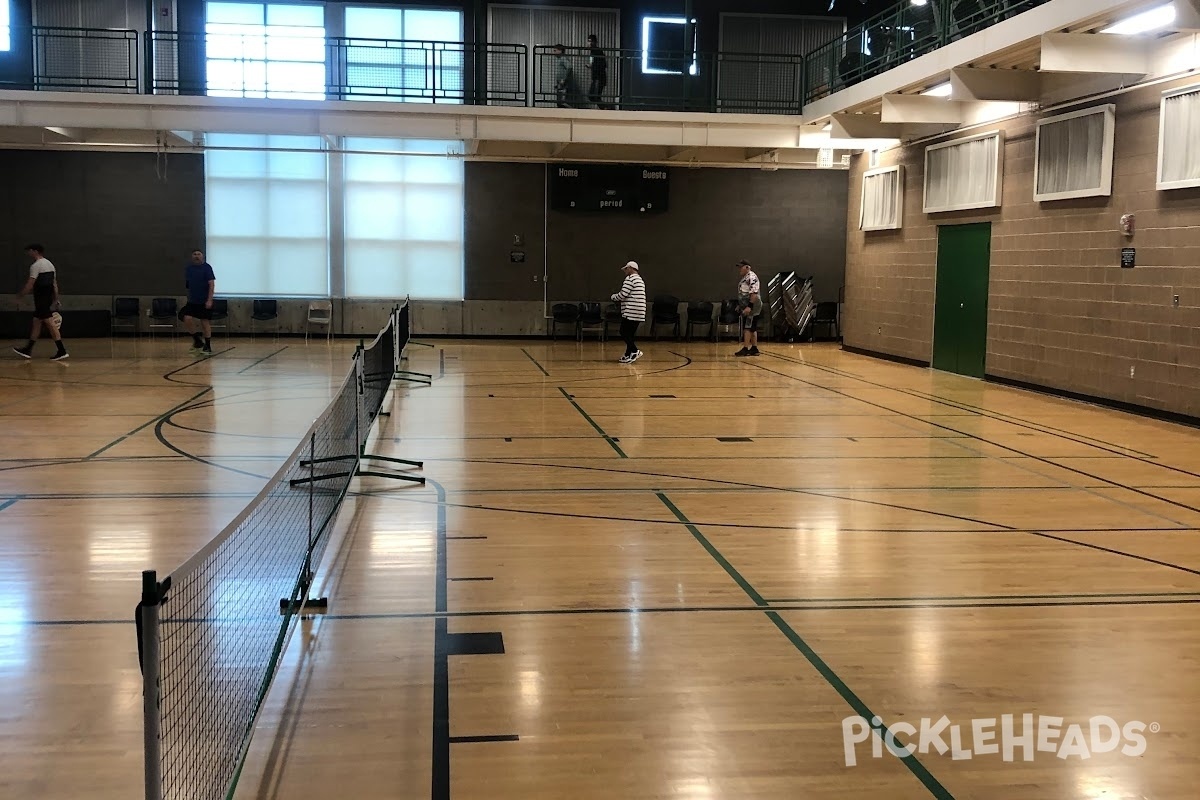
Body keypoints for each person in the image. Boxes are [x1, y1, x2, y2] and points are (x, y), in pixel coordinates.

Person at [12, 244, 68, 361]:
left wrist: (20, 296)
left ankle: (62, 350)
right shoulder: (50, 264)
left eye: (30, 251)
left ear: (35, 251)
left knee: (50, 323)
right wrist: (56, 299)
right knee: (37, 321)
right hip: (46, 299)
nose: (28, 253)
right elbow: (54, 284)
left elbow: (30, 284)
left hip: (41, 299)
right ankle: (28, 349)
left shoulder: (36, 266)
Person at [180, 249, 216, 355]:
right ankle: (197, 341)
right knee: (186, 317)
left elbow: (211, 284)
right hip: (192, 301)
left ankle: (208, 346)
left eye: (198, 254)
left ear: (202, 256)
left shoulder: (207, 268)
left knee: (204, 321)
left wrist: (209, 300)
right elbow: (188, 285)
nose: (196, 256)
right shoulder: (189, 269)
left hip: (204, 300)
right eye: (194, 254)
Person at [611, 260, 646, 363]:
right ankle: (628, 354)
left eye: (626, 269)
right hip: (640, 311)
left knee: (623, 332)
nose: (625, 271)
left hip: (631, 311)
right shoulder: (640, 279)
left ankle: (635, 351)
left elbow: (623, 294)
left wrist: (613, 297)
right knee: (630, 334)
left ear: (631, 268)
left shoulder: (630, 279)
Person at [734, 259, 762, 357]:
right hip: (748, 305)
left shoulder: (752, 277)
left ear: (747, 267)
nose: (739, 270)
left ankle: (745, 348)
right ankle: (754, 348)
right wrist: (740, 305)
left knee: (748, 327)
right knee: (752, 328)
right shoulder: (745, 277)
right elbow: (744, 293)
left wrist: (749, 307)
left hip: (753, 306)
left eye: (741, 267)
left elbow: (754, 293)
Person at [586, 34, 611, 109]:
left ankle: (607, 108)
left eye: (590, 41)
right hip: (596, 78)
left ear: (594, 42)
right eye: (588, 41)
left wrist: (592, 65)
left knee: (595, 96)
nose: (589, 43)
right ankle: (605, 108)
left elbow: (602, 64)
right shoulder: (593, 52)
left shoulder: (597, 51)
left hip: (599, 78)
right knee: (593, 96)